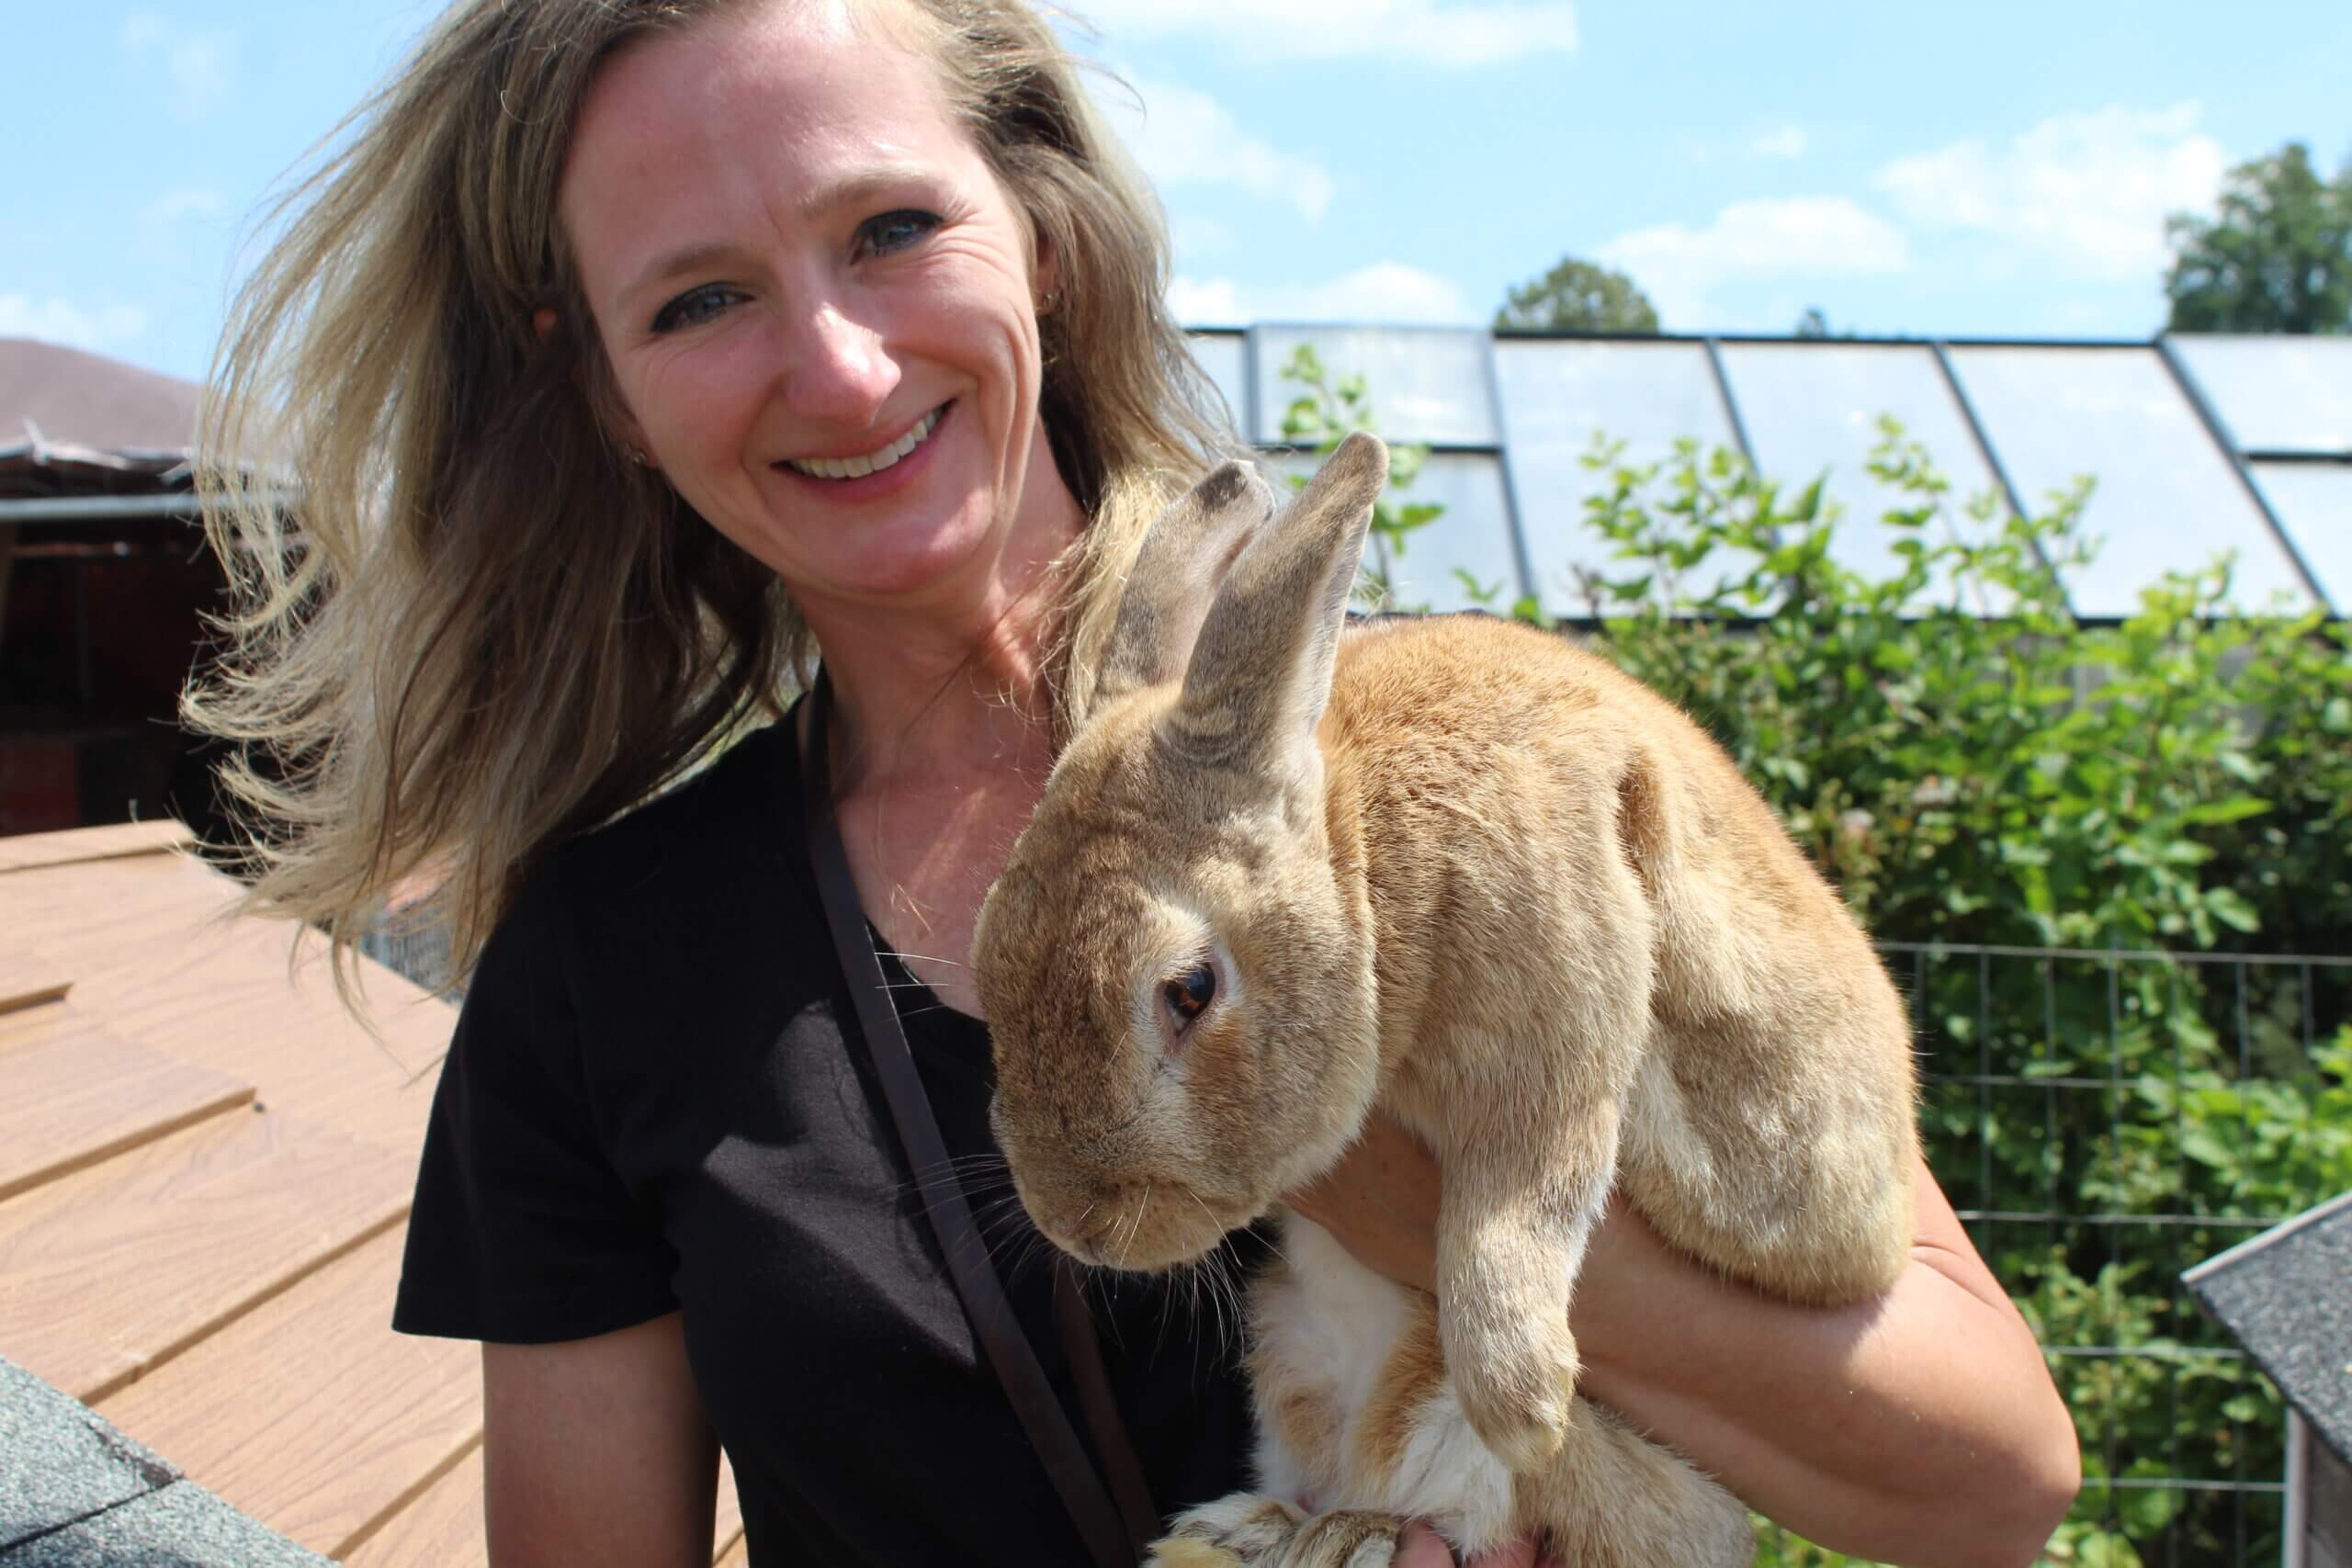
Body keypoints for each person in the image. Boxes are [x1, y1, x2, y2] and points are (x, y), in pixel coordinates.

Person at [187, 0, 2081, 1563]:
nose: (839, 373)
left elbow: (1987, 1474)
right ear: (603, 385)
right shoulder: (603, 972)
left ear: (1045, 230)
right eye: (695, 301)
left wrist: (1423, 1196)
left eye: (886, 231)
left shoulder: (1437, 769)